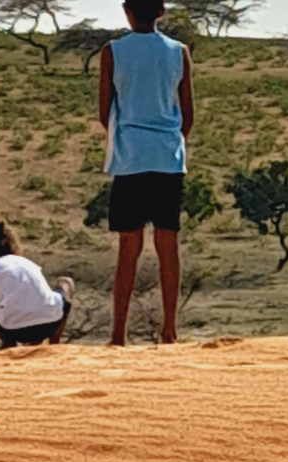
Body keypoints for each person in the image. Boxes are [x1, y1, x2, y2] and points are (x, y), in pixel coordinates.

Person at [99, 0, 195, 346]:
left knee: (129, 246)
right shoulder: (179, 52)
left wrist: (130, 139)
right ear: (161, 12)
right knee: (168, 245)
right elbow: (188, 114)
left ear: (126, 10)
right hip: (168, 158)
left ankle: (118, 334)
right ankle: (169, 330)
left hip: (130, 158)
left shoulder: (112, 52)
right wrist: (168, 140)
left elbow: (104, 111)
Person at [0, 214, 74, 350]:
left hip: (14, 330)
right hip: (51, 322)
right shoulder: (25, 262)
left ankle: (8, 344)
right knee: (66, 282)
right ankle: (54, 343)